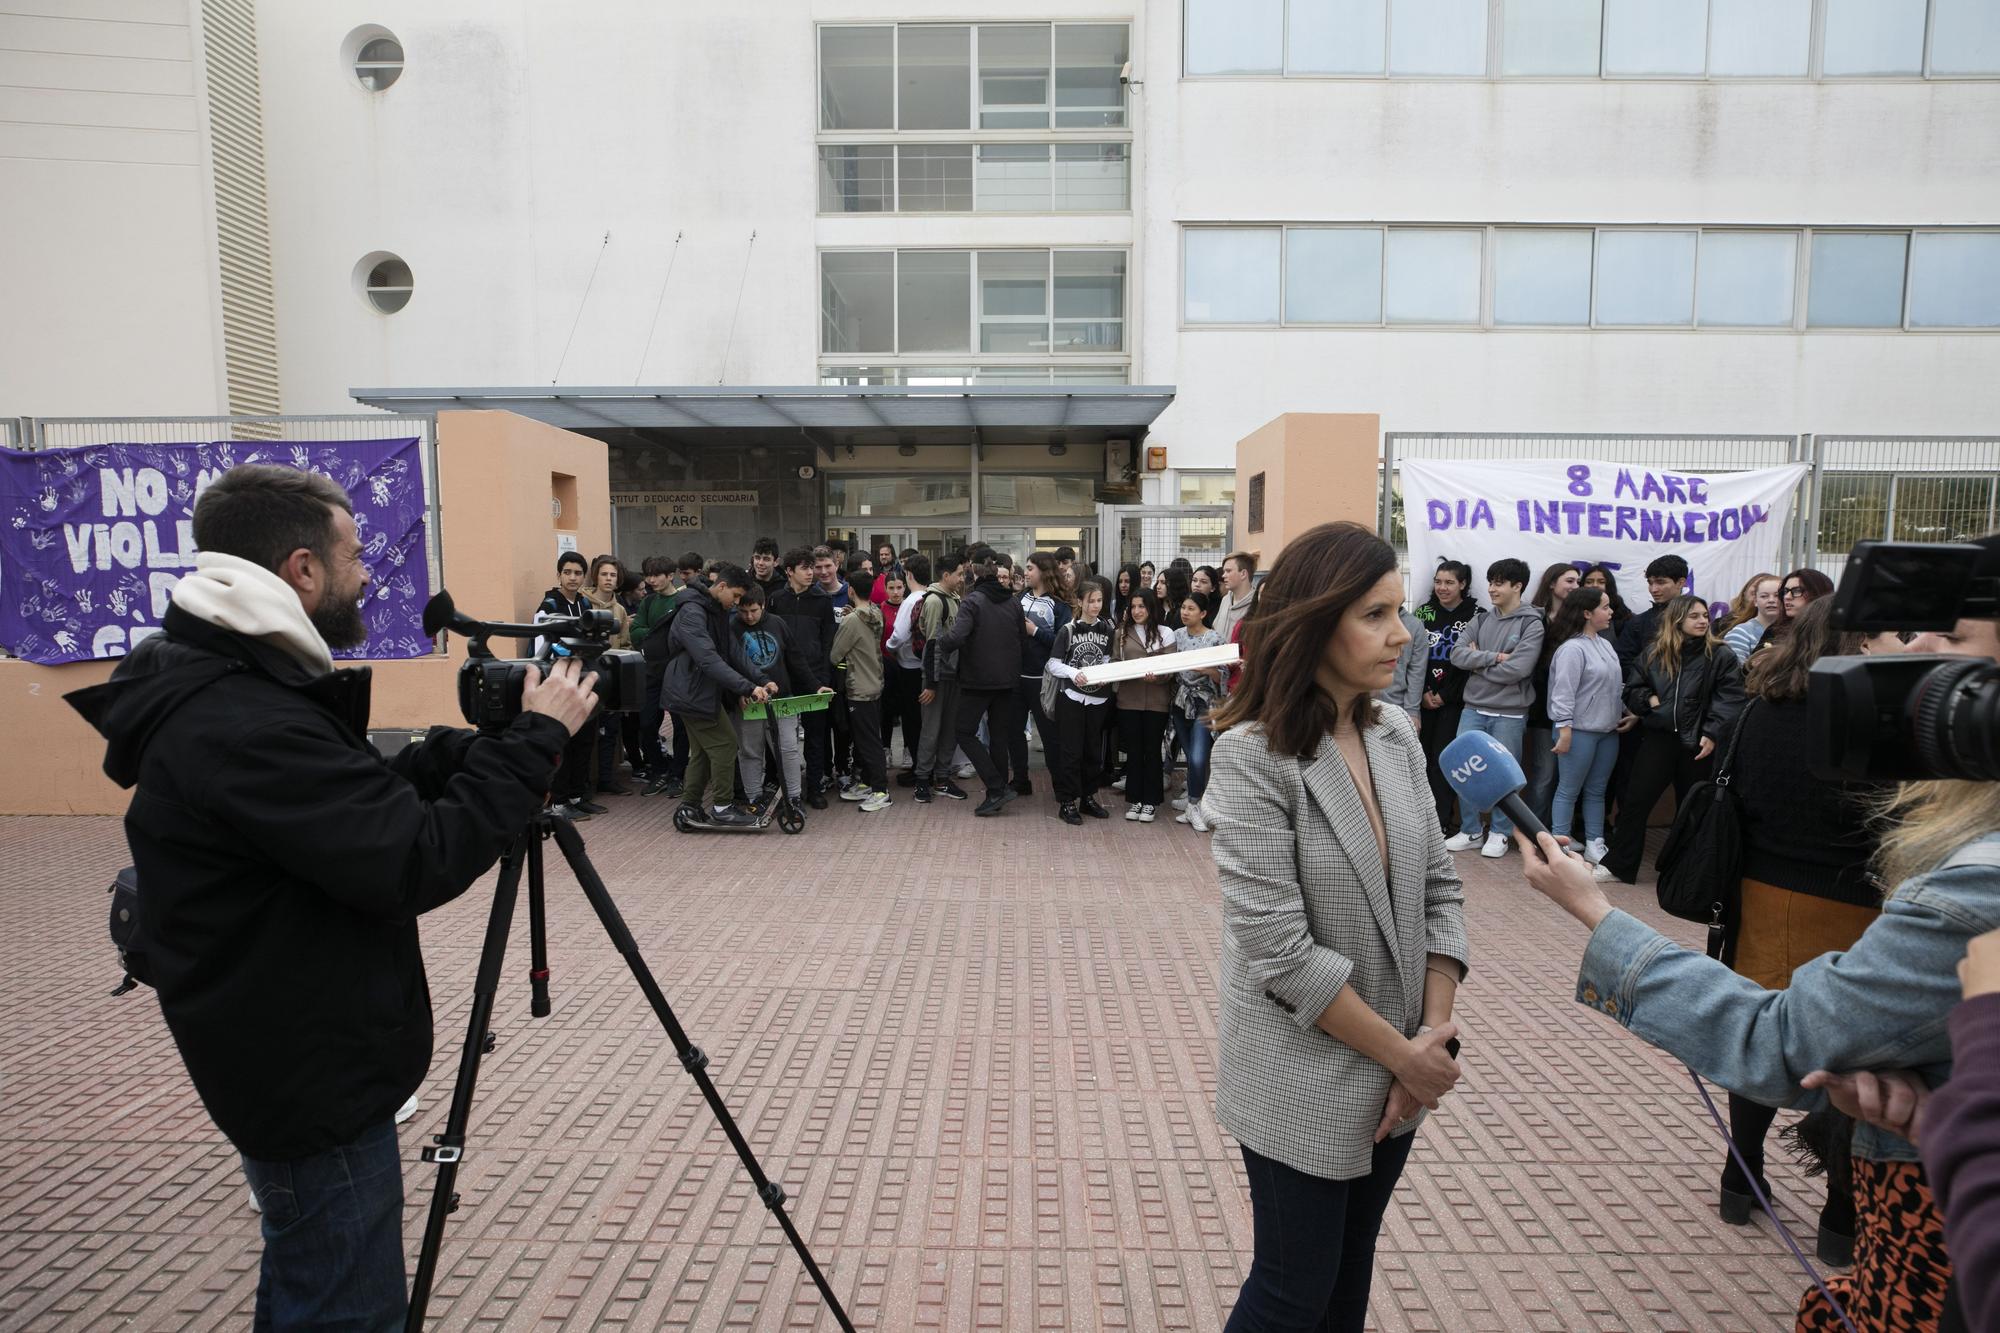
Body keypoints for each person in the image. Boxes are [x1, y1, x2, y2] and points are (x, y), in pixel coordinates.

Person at [66, 464, 600, 1330]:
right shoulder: (242, 717)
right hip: (310, 1076)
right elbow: (409, 859)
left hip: (287, 1050)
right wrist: (534, 742)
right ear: (303, 569)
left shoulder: (227, 683)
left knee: (308, 1279)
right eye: (355, 555)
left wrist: (444, 758)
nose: (369, 576)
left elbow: (337, 805)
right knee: (344, 1306)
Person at [1516, 576, 2000, 1333]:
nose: (1916, 661)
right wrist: (1957, 1103)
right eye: (1903, 640)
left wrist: (1594, 911)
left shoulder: (1969, 890)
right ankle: (1835, 1218)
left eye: (1949, 640)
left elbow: (1777, 1039)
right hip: (1841, 915)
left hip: (1771, 910)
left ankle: (1744, 1184)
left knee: (1793, 1051)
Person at [1204, 521, 1469, 1333]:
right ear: (1315, 623)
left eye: (1402, 609)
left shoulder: (1396, 735)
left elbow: (1440, 890)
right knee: (1292, 1291)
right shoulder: (1252, 754)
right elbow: (1280, 952)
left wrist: (1429, 1036)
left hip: (1402, 1066)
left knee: (1347, 1286)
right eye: (1376, 614)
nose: (1403, 633)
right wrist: (1409, 1059)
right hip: (1303, 1070)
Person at [1702, 598, 1884, 1263]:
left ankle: (1740, 1173)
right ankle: (1840, 1211)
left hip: (1763, 895)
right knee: (1857, 1053)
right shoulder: (1879, 719)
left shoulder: (1760, 706)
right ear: (1857, 641)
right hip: (1861, 905)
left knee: (1764, 1035)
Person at [1601, 594, 1748, 885]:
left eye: (1705, 615)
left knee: (1693, 808)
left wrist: (1712, 733)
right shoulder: (1655, 652)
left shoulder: (1720, 655)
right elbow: (1632, 689)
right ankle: (1620, 866)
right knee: (1635, 803)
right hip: (1659, 739)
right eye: (1695, 616)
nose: (1703, 621)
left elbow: (1730, 699)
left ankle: (1686, 872)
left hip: (1698, 744)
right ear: (1677, 619)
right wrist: (1651, 701)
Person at [1444, 558, 1545, 858]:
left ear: (1518, 586)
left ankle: (1500, 833)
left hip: (1510, 713)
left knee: (1504, 775)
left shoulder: (1531, 623)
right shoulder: (1480, 619)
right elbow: (1457, 655)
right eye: (1490, 582)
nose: (1492, 588)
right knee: (1463, 771)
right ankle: (1471, 830)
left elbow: (1518, 670)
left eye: (1499, 582)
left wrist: (1479, 665)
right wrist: (1495, 658)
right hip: (1473, 708)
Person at [663, 563, 775, 828]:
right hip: (690, 691)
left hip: (697, 691)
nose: (736, 604)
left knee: (703, 750)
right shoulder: (693, 611)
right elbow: (708, 659)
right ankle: (723, 807)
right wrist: (747, 687)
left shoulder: (715, 609)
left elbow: (734, 651)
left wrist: (762, 679)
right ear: (721, 586)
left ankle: (690, 806)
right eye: (735, 597)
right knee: (725, 744)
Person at [1545, 587, 1628, 875]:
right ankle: (1560, 845)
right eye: (1605, 607)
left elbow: (1615, 687)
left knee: (1597, 791)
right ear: (1587, 613)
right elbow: (1562, 693)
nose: (1610, 612)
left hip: (1607, 730)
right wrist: (1564, 728)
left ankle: (1595, 842)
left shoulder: (1605, 644)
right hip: (1577, 731)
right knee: (1569, 789)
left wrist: (1626, 713)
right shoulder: (1571, 648)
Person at [939, 552, 1028, 817]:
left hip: (978, 681)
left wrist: (936, 641)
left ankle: (996, 786)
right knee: (998, 736)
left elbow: (955, 638)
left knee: (964, 731)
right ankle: (996, 793)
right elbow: (1023, 642)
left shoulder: (972, 602)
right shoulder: (1013, 604)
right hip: (1008, 681)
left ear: (974, 579)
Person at [1414, 560, 1479, 835]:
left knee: (1444, 760)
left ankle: (1441, 821)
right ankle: (1421, 821)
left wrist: (1444, 696)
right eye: (1438, 581)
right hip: (1422, 700)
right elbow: (1414, 658)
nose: (1442, 587)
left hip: (1455, 703)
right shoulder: (1423, 613)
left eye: (1449, 582)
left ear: (1463, 584)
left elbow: (1473, 664)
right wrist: (1424, 694)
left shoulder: (1477, 615)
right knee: (1421, 760)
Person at [770, 547, 838, 808]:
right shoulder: (776, 599)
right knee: (782, 737)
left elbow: (828, 642)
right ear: (789, 571)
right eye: (805, 568)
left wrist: (822, 678)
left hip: (814, 680)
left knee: (815, 736)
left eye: (813, 567)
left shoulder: (822, 601)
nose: (811, 573)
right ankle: (785, 786)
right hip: (783, 679)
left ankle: (815, 787)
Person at [537, 551, 602, 818]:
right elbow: (542, 643)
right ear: (559, 575)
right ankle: (559, 802)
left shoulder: (585, 604)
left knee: (585, 740)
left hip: (583, 679)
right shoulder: (549, 605)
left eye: (577, 573)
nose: (572, 577)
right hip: (559, 680)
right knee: (564, 742)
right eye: (567, 572)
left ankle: (578, 795)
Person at [1048, 577, 1116, 824]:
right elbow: (1053, 663)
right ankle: (1067, 802)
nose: (1096, 605)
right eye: (1091, 601)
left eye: (1099, 600)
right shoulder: (1068, 630)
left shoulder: (1108, 630)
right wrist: (1073, 672)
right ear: (1080, 601)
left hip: (1098, 700)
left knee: (1092, 752)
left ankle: (1088, 797)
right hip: (1072, 698)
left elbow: (1108, 660)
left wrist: (1106, 674)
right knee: (1070, 751)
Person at [1520, 563, 1582, 825]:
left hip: (1574, 711)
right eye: (1569, 581)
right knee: (1544, 773)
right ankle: (1533, 830)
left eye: (1577, 582)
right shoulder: (1534, 618)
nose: (1575, 587)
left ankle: (1555, 829)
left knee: (1564, 777)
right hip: (1541, 709)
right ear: (1551, 584)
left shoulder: (1580, 620)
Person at [906, 553, 970, 804]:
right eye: (959, 574)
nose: (962, 578)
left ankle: (942, 778)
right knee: (931, 731)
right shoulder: (934, 602)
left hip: (953, 676)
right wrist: (931, 683)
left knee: (949, 730)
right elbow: (932, 644)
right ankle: (923, 779)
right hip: (937, 676)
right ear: (946, 575)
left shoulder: (955, 599)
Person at [1111, 586, 1176, 823]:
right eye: (1133, 606)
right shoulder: (1121, 633)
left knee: (1152, 751)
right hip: (1129, 700)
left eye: (1142, 606)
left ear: (1151, 607)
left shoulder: (1166, 632)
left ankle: (1151, 802)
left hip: (1157, 701)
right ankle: (1135, 799)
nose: (1137, 611)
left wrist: (1157, 677)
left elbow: (1170, 669)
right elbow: (1116, 664)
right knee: (1134, 752)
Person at [1011, 552, 1071, 796]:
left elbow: (1062, 641)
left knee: (1050, 737)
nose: (1025, 572)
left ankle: (1060, 786)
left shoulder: (1060, 605)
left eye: (1030, 568)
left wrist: (1034, 631)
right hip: (1016, 678)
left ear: (1044, 572)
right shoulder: (1018, 598)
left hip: (1044, 681)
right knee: (1014, 733)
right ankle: (1020, 780)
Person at [829, 589, 892, 811]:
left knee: (868, 742)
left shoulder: (851, 620)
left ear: (851, 591)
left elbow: (835, 655)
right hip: (875, 682)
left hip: (859, 688)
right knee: (869, 737)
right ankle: (867, 783)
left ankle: (880, 791)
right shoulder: (876, 612)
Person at [632, 555, 685, 798]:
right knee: (647, 723)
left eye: (656, 574)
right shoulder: (648, 602)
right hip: (651, 671)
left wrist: (651, 635)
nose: (651, 580)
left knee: (680, 726)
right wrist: (657, 634)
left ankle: (678, 774)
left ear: (670, 575)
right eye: (648, 575)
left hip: (677, 672)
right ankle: (659, 770)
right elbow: (635, 632)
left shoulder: (682, 600)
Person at [1172, 590, 1225, 832]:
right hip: (1180, 703)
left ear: (1203, 613)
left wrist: (1206, 670)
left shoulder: (1215, 639)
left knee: (1198, 756)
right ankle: (1194, 799)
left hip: (1205, 704)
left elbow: (1223, 675)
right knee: (1188, 752)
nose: (1185, 612)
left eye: (1191, 609)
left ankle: (1196, 805)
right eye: (1184, 607)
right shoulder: (1176, 636)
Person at [585, 554, 635, 796]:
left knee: (610, 732)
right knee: (585, 734)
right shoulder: (584, 603)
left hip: (610, 679)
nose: (608, 579)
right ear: (596, 576)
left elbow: (625, 645)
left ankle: (606, 778)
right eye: (604, 574)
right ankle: (584, 784)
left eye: (612, 575)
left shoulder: (620, 610)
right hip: (585, 679)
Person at [882, 556, 930, 783]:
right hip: (928, 665)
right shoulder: (932, 596)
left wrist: (890, 648)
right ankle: (926, 765)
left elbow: (898, 636)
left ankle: (919, 769)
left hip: (909, 666)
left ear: (909, 575)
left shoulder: (911, 601)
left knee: (912, 721)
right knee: (924, 719)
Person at [1615, 553, 1691, 671]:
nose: (1653, 589)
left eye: (1661, 582)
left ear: (1681, 583)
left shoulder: (1698, 620)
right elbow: (1623, 663)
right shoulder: (1637, 623)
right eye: (1650, 583)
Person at [1375, 602, 1428, 725]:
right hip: (1363, 705)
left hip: (1399, 709)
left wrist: (1412, 712)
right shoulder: (1365, 620)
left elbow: (1417, 672)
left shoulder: (1414, 625)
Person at [1724, 573, 1783, 665]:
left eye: (1777, 595)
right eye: (1764, 596)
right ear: (1755, 601)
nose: (1771, 600)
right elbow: (1735, 673)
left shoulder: (1795, 631)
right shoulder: (1740, 633)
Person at [1214, 550, 1258, 643]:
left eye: (1228, 571)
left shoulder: (1257, 604)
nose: (1223, 575)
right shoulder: (1225, 600)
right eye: (1224, 571)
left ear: (1243, 574)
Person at [1583, 563, 1633, 634]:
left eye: (1601, 582)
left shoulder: (1623, 614)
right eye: (1589, 582)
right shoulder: (1573, 611)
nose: (1595, 585)